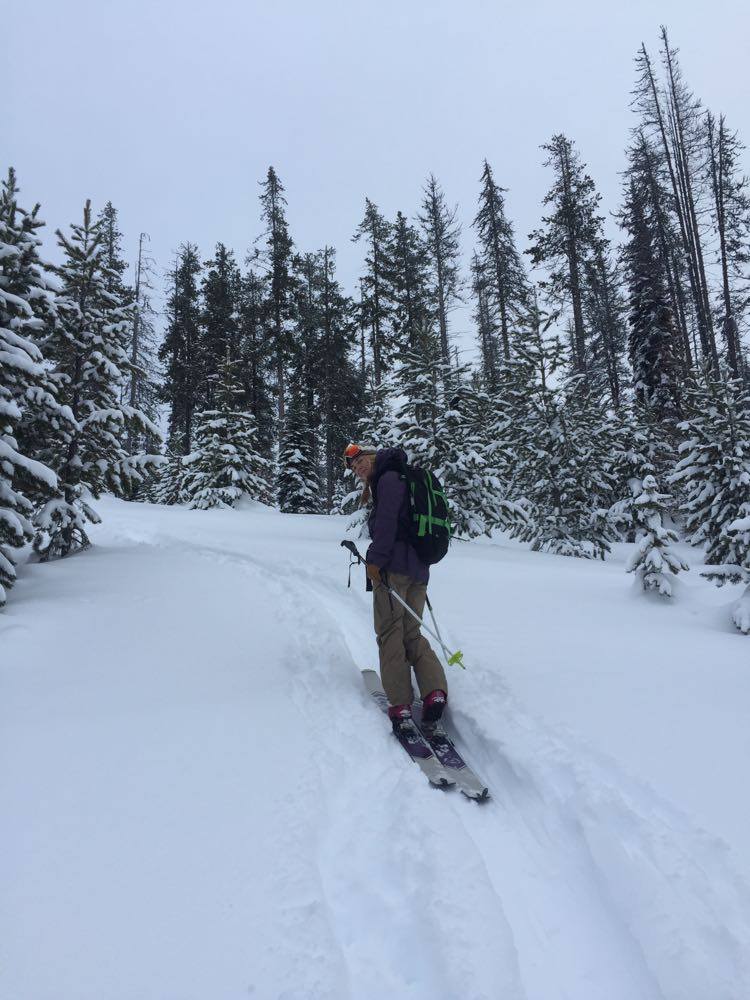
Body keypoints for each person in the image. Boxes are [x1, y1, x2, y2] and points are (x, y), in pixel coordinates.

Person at [344, 442, 448, 729]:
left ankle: (400, 705)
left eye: (361, 460)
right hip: (419, 570)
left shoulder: (388, 479)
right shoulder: (405, 475)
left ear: (373, 455)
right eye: (354, 467)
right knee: (411, 633)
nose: (359, 468)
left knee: (390, 632)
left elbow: (387, 525)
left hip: (394, 569)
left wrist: (374, 562)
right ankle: (434, 693)